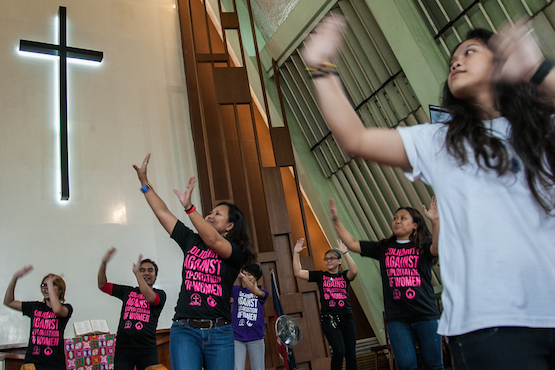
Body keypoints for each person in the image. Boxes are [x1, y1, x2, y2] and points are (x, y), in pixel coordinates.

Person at [301, 16, 555, 369]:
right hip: (490, 324)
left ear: (503, 63)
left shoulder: (540, 129)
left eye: (470, 51)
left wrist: (535, 68)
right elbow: (355, 138)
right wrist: (321, 66)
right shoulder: (443, 141)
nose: (456, 60)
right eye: (453, 57)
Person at [133, 153, 256, 370]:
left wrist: (190, 208)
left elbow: (212, 239)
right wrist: (145, 183)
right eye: (209, 212)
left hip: (220, 332)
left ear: (229, 226)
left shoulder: (237, 252)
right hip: (185, 330)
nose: (209, 215)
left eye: (217, 214)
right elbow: (162, 212)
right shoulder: (190, 240)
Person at [330, 197, 442, 370]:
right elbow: (352, 244)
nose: (397, 220)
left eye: (403, 218)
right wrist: (336, 220)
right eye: (395, 218)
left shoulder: (423, 245)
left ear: (415, 225)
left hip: (426, 315)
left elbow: (437, 248)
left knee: (433, 365)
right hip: (397, 320)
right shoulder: (384, 247)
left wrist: (435, 221)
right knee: (406, 366)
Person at [293, 236, 358, 370]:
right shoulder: (321, 276)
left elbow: (354, 271)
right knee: (339, 351)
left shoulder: (344, 276)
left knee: (351, 353)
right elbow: (298, 272)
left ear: (339, 261)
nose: (328, 261)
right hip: (329, 318)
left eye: (331, 258)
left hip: (347, 316)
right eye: (326, 259)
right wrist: (296, 253)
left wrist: (345, 252)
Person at [97, 247, 167, 370]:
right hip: (124, 348)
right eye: (142, 270)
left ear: (155, 277)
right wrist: (103, 263)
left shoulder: (160, 294)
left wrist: (138, 274)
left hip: (147, 348)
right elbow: (103, 285)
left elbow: (150, 298)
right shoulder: (127, 291)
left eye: (150, 271)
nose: (146, 273)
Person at [4, 266, 73, 370]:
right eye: (44, 285)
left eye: (52, 284)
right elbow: (8, 302)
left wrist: (49, 285)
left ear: (60, 290)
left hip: (54, 365)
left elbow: (57, 310)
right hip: (32, 364)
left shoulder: (66, 308)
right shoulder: (35, 307)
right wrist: (15, 278)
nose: (46, 287)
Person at [231, 263, 269, 370]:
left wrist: (243, 277)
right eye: (245, 274)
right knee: (237, 368)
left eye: (249, 275)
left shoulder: (263, 293)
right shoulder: (236, 290)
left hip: (255, 336)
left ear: (256, 276)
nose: (247, 277)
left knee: (258, 368)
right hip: (237, 336)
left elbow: (255, 291)